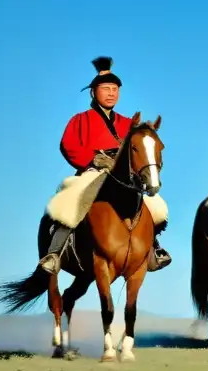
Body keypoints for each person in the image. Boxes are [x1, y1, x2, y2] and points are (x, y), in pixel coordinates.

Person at [39, 56, 172, 274]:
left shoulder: (128, 123)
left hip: (121, 175)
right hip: (92, 171)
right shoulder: (80, 119)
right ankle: (54, 253)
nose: (111, 93)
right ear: (93, 92)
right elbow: (68, 145)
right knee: (71, 202)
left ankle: (153, 249)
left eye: (115, 89)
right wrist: (92, 159)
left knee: (153, 205)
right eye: (106, 88)